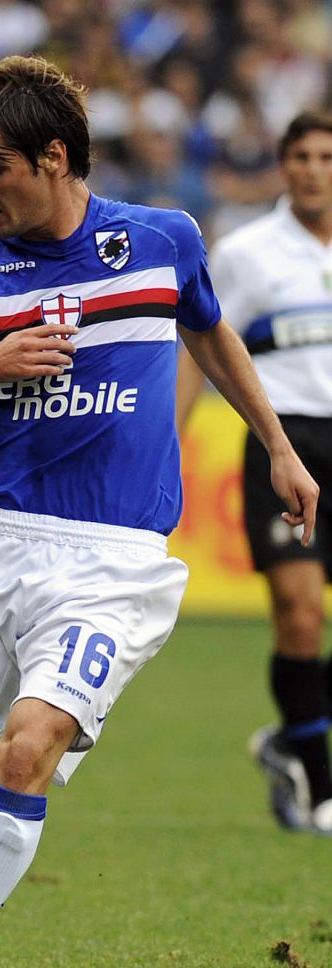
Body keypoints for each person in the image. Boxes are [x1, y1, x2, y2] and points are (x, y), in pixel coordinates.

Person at [0, 57, 318, 968]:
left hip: (111, 561)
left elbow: (211, 333)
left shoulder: (161, 240)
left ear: (54, 155)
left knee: (28, 749)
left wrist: (276, 445)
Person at [177, 112, 332, 836]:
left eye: (326, 157)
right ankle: (320, 783)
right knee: (300, 611)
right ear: (282, 164)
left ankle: (288, 741)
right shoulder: (247, 253)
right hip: (287, 442)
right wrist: (166, 437)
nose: (312, 169)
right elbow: (202, 343)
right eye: (300, 155)